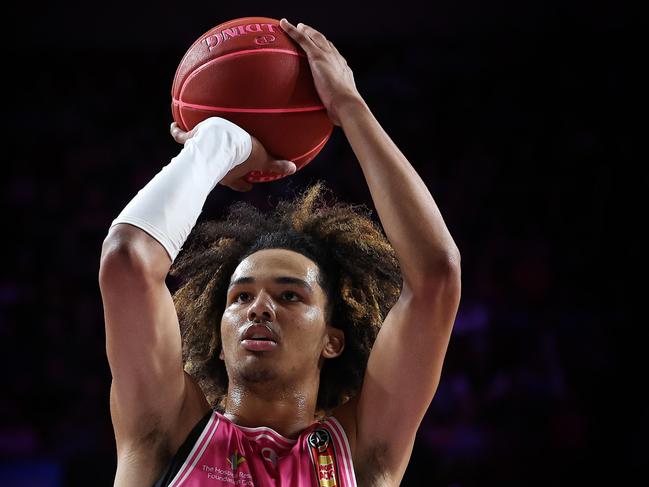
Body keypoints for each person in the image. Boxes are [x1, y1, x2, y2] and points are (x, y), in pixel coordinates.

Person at [99, 18, 461, 487]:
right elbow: (127, 260)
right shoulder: (163, 431)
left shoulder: (363, 453)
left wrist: (350, 106)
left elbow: (436, 275)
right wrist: (218, 142)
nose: (260, 307)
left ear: (333, 339)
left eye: (291, 296)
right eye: (240, 297)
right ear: (220, 334)